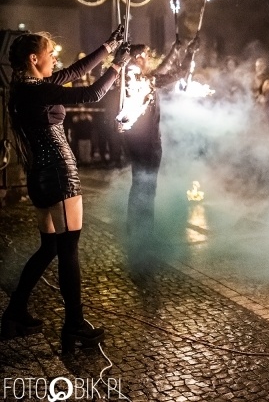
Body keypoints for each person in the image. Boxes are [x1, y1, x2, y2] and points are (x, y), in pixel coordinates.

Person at [1, 26, 128, 351]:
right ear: (34, 58)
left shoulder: (24, 87)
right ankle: (74, 324)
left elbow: (75, 72)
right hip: (59, 173)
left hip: (40, 177)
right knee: (68, 248)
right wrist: (116, 66)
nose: (55, 58)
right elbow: (91, 93)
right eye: (50, 53)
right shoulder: (38, 91)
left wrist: (108, 45)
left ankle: (14, 312)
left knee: (50, 247)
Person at [120, 38, 198, 268]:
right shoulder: (137, 81)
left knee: (142, 187)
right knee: (145, 189)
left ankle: (138, 232)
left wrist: (179, 49)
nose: (147, 57)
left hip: (147, 143)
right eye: (143, 54)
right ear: (134, 59)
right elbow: (175, 73)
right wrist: (188, 54)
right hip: (144, 145)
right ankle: (142, 237)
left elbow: (164, 69)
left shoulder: (140, 78)